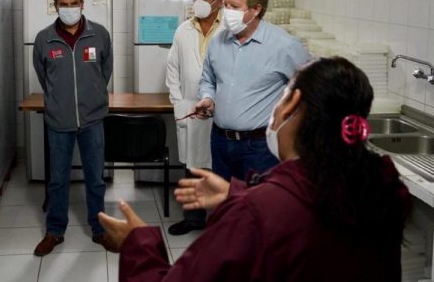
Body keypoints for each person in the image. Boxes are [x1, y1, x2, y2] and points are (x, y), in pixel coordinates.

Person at [99, 57, 412, 282]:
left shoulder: (255, 214)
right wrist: (238, 195)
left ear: (292, 103)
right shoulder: (382, 190)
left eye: (281, 93)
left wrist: (137, 243)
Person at [195, 0, 311, 181]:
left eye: (234, 7)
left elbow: (310, 89)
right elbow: (208, 80)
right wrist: (208, 98)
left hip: (259, 147)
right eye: (225, 5)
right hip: (220, 141)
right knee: (222, 199)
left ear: (256, 9)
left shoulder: (284, 46)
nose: (227, 12)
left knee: (258, 199)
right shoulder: (218, 42)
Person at [32, 0, 117, 256]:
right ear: (55, 6)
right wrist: (61, 101)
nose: (69, 8)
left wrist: (91, 97)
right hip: (59, 122)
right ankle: (55, 231)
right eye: (63, 4)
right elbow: (44, 78)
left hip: (93, 120)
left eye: (73, 3)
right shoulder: (44, 39)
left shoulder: (99, 34)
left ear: (82, 4)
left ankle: (99, 229)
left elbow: (105, 72)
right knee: (58, 180)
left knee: (96, 179)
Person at [165, 0, 224, 236]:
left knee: (220, 169)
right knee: (192, 168)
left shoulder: (229, 30)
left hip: (221, 112)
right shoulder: (183, 30)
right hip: (190, 109)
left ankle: (222, 223)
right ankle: (193, 220)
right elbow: (172, 69)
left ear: (219, 0)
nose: (199, 1)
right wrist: (178, 103)